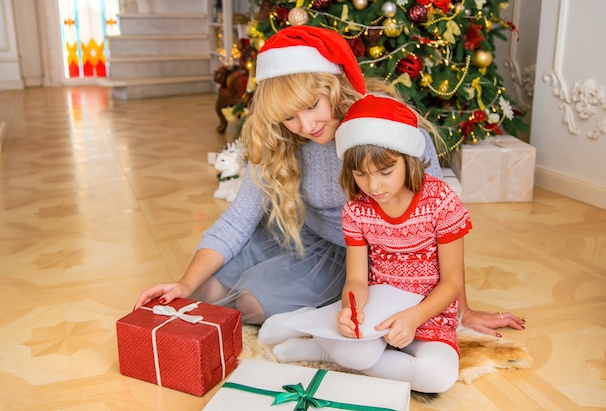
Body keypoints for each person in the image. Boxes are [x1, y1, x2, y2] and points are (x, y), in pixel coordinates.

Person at [134, 26, 525, 336]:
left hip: (360, 254)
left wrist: (463, 310)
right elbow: (238, 220)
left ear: (332, 86)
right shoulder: (281, 138)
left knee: (252, 303)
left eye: (311, 106)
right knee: (206, 291)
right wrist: (185, 284)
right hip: (303, 232)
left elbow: (440, 226)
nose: (305, 126)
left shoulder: (384, 128)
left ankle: (313, 310)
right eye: (290, 117)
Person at [259, 94, 469, 393]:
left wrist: (414, 318)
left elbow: (452, 282)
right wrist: (350, 310)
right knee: (357, 351)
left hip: (428, 313)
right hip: (378, 310)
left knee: (437, 376)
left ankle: (322, 351)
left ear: (408, 159)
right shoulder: (358, 209)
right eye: (360, 174)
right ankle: (322, 334)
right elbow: (357, 279)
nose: (373, 186)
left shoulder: (441, 201)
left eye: (385, 172)